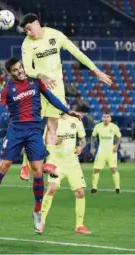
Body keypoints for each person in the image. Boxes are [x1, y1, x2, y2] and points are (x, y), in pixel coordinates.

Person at [0, 57, 82, 232]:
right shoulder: (7, 89)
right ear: (10, 73)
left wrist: (67, 110)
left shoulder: (35, 82)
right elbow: (0, 110)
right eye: (16, 70)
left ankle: (37, 213)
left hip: (34, 131)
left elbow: (50, 97)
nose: (20, 72)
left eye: (21, 68)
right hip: (15, 130)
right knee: (2, 167)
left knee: (38, 171)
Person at [20, 13, 112, 176]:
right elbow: (28, 69)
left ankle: (51, 163)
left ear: (36, 23)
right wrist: (41, 75)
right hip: (38, 86)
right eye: (25, 31)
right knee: (35, 127)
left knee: (52, 126)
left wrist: (96, 71)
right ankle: (25, 165)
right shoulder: (27, 44)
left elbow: (78, 54)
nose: (28, 33)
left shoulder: (55, 35)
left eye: (29, 29)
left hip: (57, 88)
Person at [40, 102, 91, 234]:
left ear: (67, 105)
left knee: (80, 192)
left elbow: (83, 140)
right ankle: (41, 221)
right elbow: (44, 142)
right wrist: (52, 142)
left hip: (72, 162)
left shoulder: (76, 120)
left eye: (63, 103)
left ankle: (79, 225)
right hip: (56, 162)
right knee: (52, 188)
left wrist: (80, 147)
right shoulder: (51, 121)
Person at [90, 112, 122, 194]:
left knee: (113, 169)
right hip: (101, 152)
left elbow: (119, 137)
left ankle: (117, 188)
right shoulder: (98, 126)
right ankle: (94, 188)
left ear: (110, 118)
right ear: (102, 118)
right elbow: (93, 136)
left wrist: (116, 146)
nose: (106, 118)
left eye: (107, 117)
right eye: (104, 117)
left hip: (111, 152)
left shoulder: (114, 127)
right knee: (96, 169)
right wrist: (92, 147)